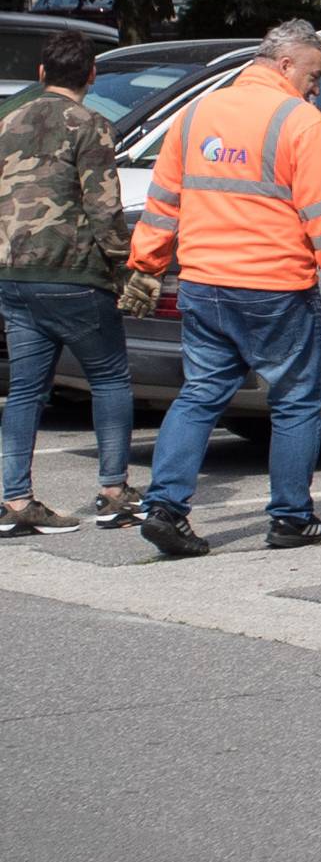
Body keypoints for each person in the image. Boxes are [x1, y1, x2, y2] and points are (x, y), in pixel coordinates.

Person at [121, 18, 321, 559]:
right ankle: (290, 519)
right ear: (285, 64)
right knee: (297, 402)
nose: (316, 87)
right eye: (314, 74)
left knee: (201, 393)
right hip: (275, 285)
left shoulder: (196, 116)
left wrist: (146, 265)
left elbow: (164, 201)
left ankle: (165, 508)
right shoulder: (299, 122)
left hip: (206, 282)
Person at [0, 31, 139, 534]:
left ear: (41, 74)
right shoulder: (90, 124)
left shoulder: (8, 119)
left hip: (14, 272)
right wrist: (125, 267)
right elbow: (103, 205)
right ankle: (113, 491)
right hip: (73, 272)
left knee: (25, 390)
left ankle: (16, 500)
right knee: (109, 377)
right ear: (92, 76)